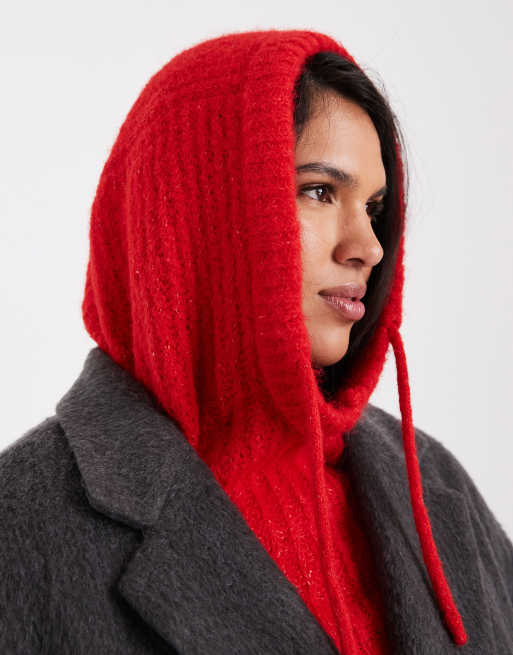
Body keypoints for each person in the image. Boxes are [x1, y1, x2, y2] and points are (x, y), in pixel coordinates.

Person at [1, 28, 512, 655]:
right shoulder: (21, 527)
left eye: (374, 208)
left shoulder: (433, 484)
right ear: (198, 210)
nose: (369, 247)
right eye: (320, 191)